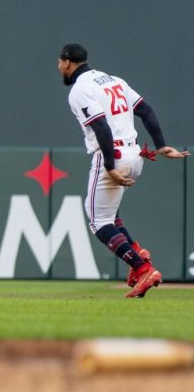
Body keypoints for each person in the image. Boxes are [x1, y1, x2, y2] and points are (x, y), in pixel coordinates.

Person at [57, 43, 189, 298]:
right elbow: (145, 110)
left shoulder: (80, 89)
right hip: (135, 153)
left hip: (113, 154)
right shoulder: (113, 80)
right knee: (110, 214)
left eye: (59, 62)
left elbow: (101, 127)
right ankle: (136, 251)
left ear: (66, 62)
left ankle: (142, 268)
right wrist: (161, 145)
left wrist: (109, 165)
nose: (59, 67)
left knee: (98, 221)